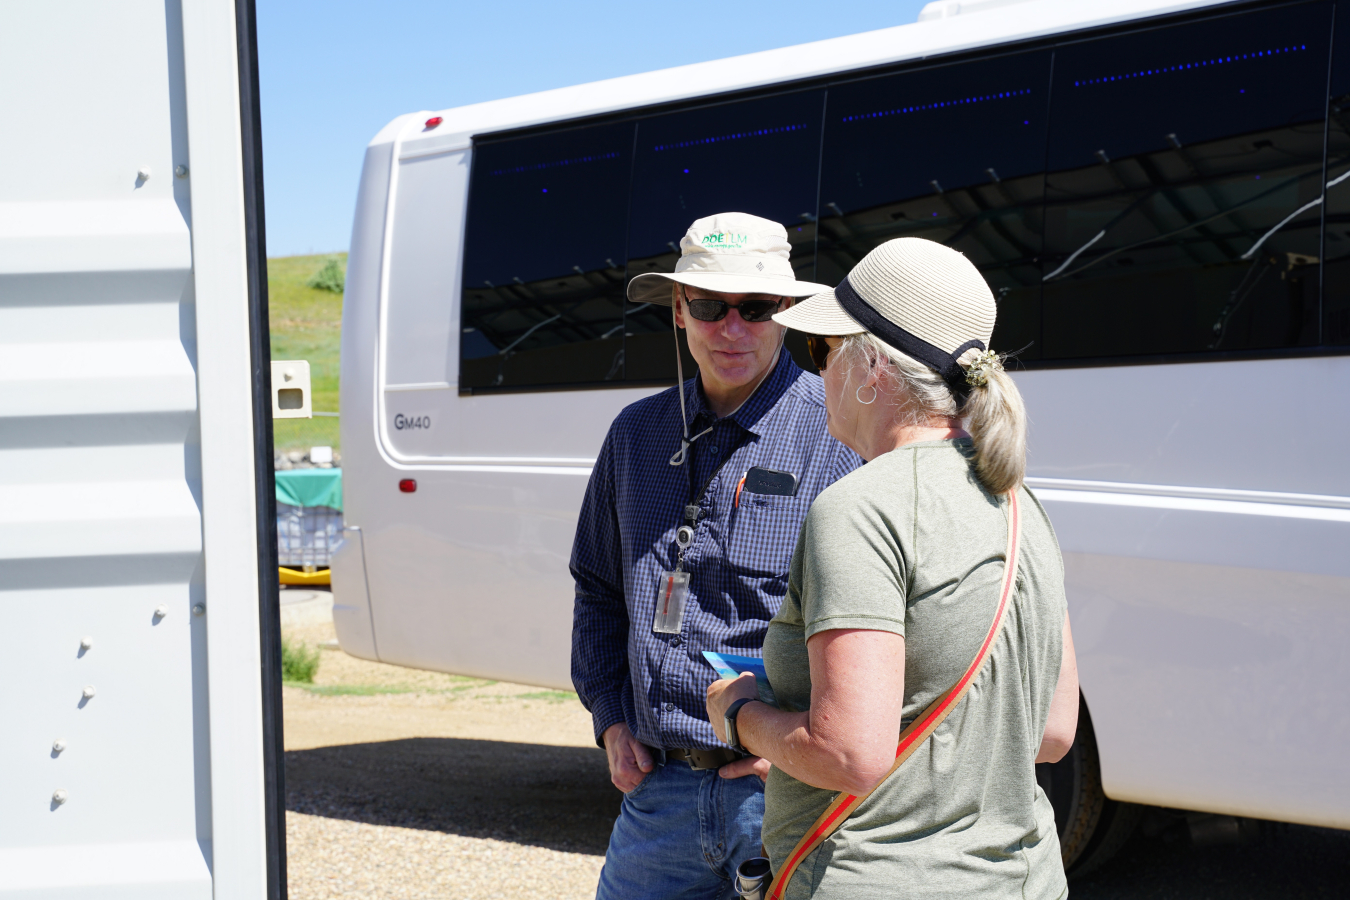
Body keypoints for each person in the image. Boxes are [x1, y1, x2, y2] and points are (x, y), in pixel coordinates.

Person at [706, 237, 1080, 900]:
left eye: (822, 351)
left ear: (869, 366)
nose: (816, 371)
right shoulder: (1019, 500)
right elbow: (1052, 733)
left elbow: (851, 755)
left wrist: (741, 714)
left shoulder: (860, 506)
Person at [571, 212, 863, 899]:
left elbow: (886, 625)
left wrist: (795, 754)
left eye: (756, 308)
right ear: (679, 309)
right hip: (660, 794)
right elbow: (596, 587)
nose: (732, 328)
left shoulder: (839, 434)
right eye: (710, 306)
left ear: (787, 311)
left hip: (788, 796)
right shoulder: (634, 434)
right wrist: (611, 718)